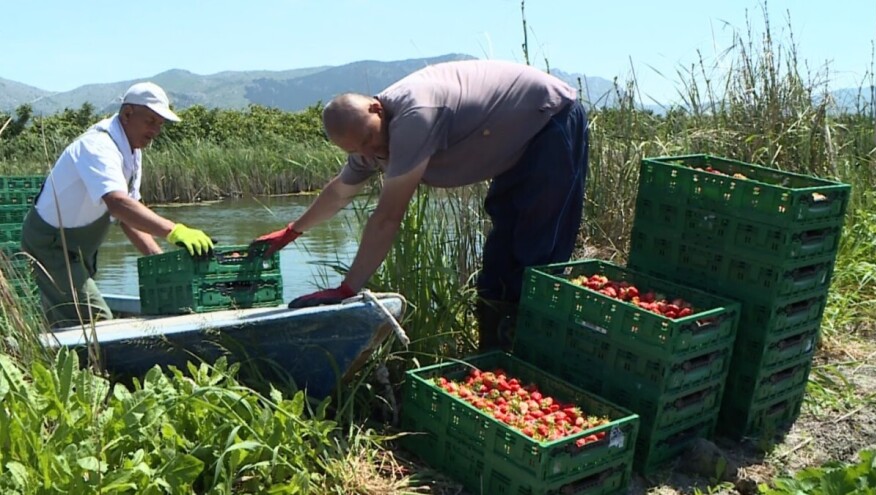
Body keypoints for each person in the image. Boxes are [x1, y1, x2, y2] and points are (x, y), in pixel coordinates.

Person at [252, 59, 589, 351]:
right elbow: (340, 192)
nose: (369, 152)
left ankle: (538, 354)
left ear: (377, 109)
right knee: (500, 257)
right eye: (357, 150)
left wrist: (347, 288)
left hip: (549, 120)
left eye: (369, 139)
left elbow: (387, 217)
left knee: (537, 252)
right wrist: (292, 231)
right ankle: (496, 354)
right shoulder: (370, 141)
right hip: (512, 145)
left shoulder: (415, 116)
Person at [21, 82, 214, 328]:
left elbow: (128, 216)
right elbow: (118, 204)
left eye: (160, 124)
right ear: (127, 113)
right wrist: (174, 231)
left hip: (79, 247)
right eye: (150, 121)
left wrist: (159, 260)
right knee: (96, 321)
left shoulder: (133, 151)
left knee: (67, 320)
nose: (155, 130)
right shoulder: (98, 146)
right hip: (51, 245)